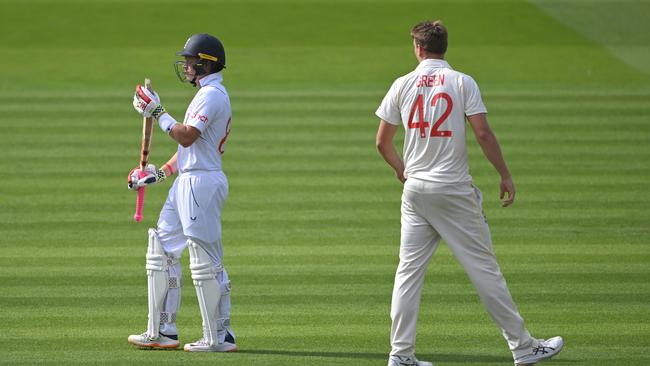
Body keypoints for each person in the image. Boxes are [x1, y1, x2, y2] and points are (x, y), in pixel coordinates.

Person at [375, 21, 563, 366]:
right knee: (484, 269)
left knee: (408, 274)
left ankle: (400, 356)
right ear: (444, 47)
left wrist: (402, 171)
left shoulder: (402, 84)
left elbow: (382, 142)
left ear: (418, 48)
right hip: (453, 190)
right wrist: (504, 174)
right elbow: (483, 134)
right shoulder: (461, 81)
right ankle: (523, 347)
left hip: (415, 191)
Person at [126, 33, 236, 352]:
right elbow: (188, 150)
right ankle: (163, 330)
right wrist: (158, 174)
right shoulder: (204, 93)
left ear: (205, 63)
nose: (186, 66)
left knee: (205, 260)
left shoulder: (212, 95)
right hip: (187, 179)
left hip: (201, 183)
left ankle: (219, 336)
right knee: (161, 248)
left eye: (190, 61)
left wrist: (158, 112)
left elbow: (186, 137)